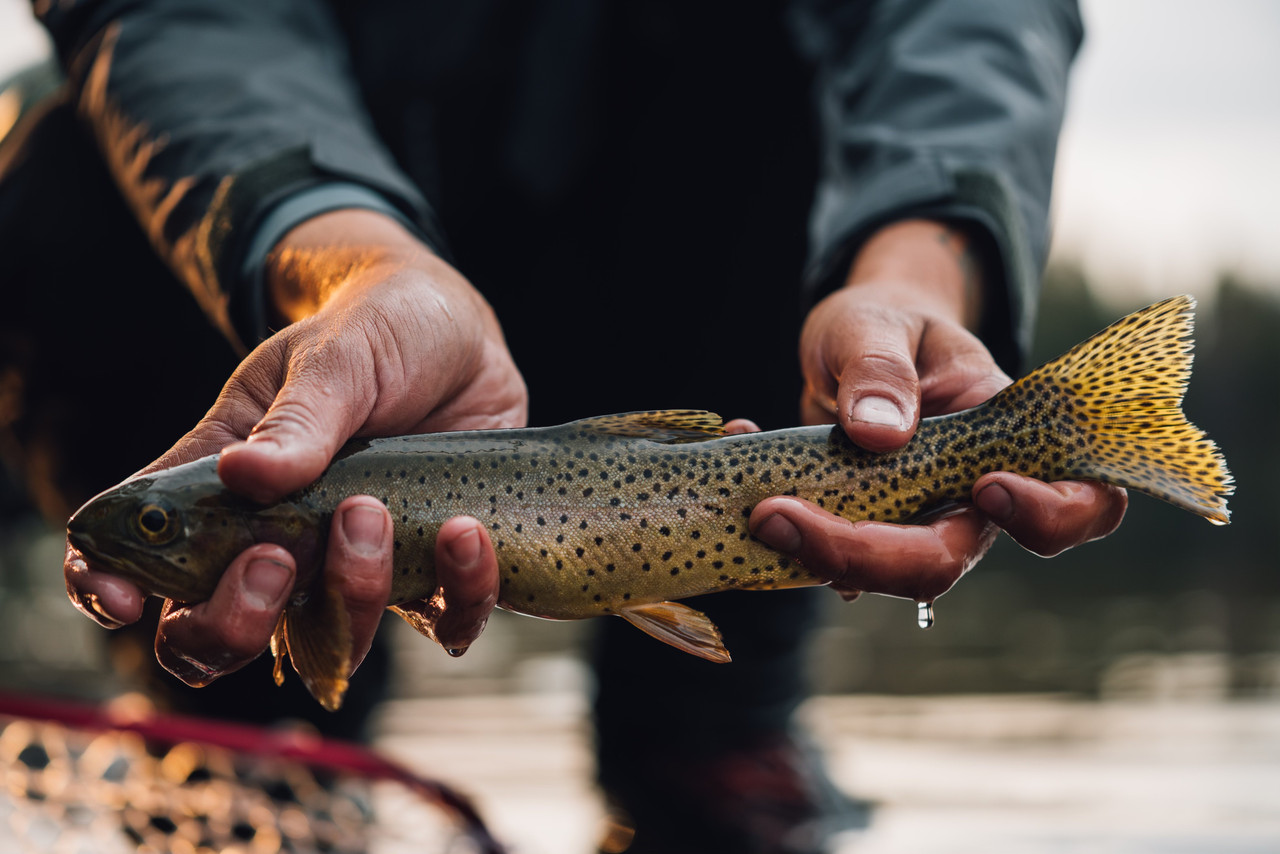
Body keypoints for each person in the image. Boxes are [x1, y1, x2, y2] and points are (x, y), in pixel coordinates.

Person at [8, 1, 1126, 852]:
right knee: (59, 167)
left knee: (757, 71)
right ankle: (252, 748)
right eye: (158, 525)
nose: (145, 526)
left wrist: (923, 262)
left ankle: (712, 737)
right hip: (339, 288)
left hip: (733, 271)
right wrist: (348, 258)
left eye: (156, 523)